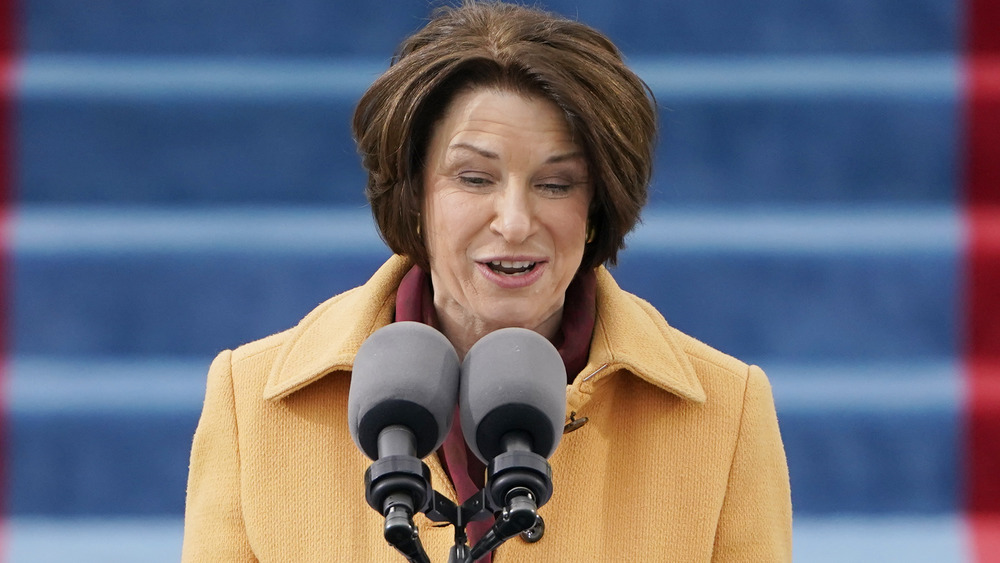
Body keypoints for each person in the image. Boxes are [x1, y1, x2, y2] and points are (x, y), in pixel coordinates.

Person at [181, 1, 793, 561]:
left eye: (556, 185)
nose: (515, 221)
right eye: (474, 179)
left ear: (597, 208)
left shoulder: (727, 413)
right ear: (414, 193)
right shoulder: (250, 404)